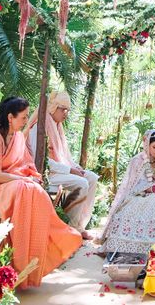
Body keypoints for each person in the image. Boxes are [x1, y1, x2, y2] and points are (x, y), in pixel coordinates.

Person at [0, 97, 82, 289]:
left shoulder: (17, 137)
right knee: (25, 188)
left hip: (10, 185)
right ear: (10, 117)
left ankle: (30, 259)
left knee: (34, 189)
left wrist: (30, 176)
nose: (26, 121)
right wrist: (23, 179)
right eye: (23, 117)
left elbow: (25, 164)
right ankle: (17, 261)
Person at [26, 91, 99, 239]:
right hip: (43, 174)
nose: (65, 113)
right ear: (53, 107)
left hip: (58, 172)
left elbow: (64, 156)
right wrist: (70, 170)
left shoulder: (57, 126)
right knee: (82, 183)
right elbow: (39, 161)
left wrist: (75, 167)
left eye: (68, 110)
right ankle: (71, 228)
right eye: (62, 109)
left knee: (91, 177)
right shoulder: (38, 127)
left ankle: (79, 226)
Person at [100, 129, 155, 254]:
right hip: (139, 196)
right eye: (154, 147)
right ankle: (141, 247)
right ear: (146, 144)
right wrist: (154, 189)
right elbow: (134, 185)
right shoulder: (137, 160)